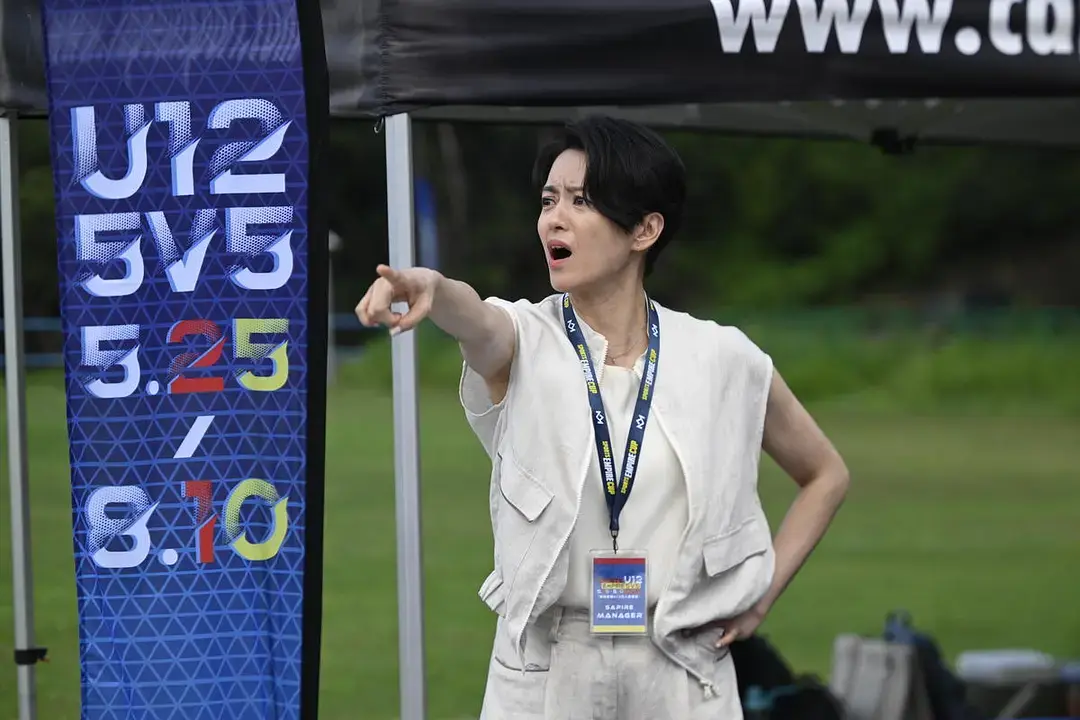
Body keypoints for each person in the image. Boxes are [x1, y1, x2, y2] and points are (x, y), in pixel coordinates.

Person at [355, 115, 850, 720]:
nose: (553, 220)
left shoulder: (721, 357)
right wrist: (432, 286)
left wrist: (760, 597)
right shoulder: (525, 338)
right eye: (548, 201)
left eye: (581, 201)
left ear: (645, 229)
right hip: (546, 668)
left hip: (681, 665)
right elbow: (477, 320)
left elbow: (826, 474)